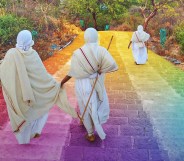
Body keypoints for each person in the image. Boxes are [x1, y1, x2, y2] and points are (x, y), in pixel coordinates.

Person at [0, 30, 77, 144]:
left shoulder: (11, 54)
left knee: (23, 113)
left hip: (17, 93)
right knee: (42, 109)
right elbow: (42, 75)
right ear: (29, 40)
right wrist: (54, 85)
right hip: (33, 93)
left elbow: (5, 71)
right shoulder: (32, 54)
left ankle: (23, 139)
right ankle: (35, 130)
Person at [60, 28, 118, 142]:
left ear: (85, 38)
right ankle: (96, 123)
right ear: (96, 37)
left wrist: (61, 82)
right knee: (95, 104)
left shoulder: (78, 53)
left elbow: (71, 72)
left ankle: (90, 133)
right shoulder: (101, 50)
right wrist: (100, 71)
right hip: (95, 83)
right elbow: (112, 65)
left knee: (84, 105)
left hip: (82, 84)